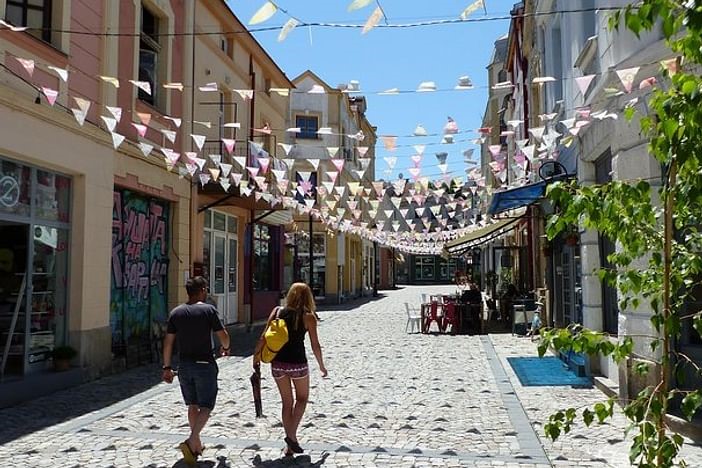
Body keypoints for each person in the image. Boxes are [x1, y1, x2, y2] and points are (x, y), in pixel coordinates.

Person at [254, 282, 328, 457]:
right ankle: (291, 437)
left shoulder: (277, 311)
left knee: (287, 402)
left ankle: (289, 447)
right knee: (302, 399)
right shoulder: (308, 317)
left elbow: (263, 337)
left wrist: (255, 358)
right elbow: (315, 345)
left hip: (277, 363)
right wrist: (322, 366)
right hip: (298, 364)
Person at [162, 276, 230, 466]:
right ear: (202, 290)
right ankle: (192, 439)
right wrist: (226, 347)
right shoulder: (208, 310)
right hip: (204, 363)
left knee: (192, 404)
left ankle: (196, 446)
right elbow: (222, 334)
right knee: (206, 405)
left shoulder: (176, 313)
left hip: (184, 365)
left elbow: (168, 342)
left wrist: (166, 367)